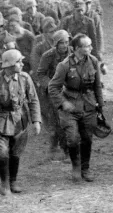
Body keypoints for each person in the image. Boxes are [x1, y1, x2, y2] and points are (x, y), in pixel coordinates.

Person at [0, 49, 42, 196]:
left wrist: (36, 120)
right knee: (2, 153)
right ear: (9, 65)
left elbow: (33, 100)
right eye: (18, 62)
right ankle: (4, 183)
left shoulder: (25, 78)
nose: (22, 64)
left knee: (15, 153)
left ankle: (13, 181)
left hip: (19, 121)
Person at [48, 34, 103, 182]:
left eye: (90, 45)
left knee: (87, 139)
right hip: (70, 106)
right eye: (87, 46)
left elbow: (97, 86)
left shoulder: (93, 61)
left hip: (88, 105)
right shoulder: (64, 65)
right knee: (72, 139)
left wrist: (101, 106)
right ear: (77, 48)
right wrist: (63, 103)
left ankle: (86, 169)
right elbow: (53, 87)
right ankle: (76, 167)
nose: (90, 48)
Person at [35, 30, 71, 160]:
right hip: (52, 93)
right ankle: (61, 148)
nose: (64, 46)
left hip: (70, 89)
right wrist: (52, 85)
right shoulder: (47, 56)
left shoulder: (73, 54)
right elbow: (40, 74)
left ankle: (64, 147)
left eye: (66, 42)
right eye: (61, 43)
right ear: (56, 44)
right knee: (57, 121)